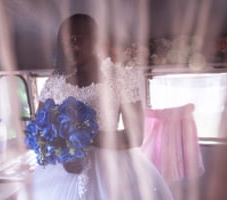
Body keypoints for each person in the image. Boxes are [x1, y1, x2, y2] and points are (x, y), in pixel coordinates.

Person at [18, 13, 173, 200]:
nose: (70, 47)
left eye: (77, 40)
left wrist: (84, 139)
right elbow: (41, 133)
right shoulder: (53, 84)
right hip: (63, 174)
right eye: (65, 42)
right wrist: (62, 156)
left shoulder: (121, 79)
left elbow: (136, 136)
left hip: (114, 170)